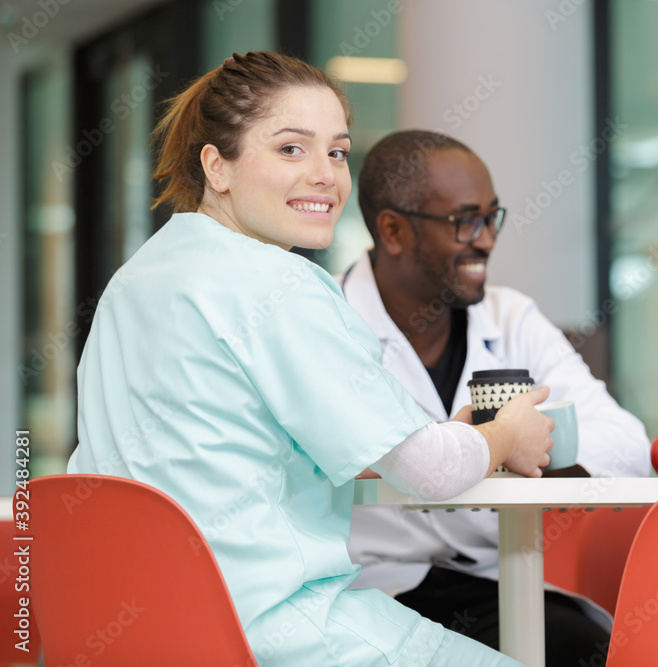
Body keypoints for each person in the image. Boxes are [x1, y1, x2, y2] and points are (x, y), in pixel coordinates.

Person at [67, 51, 556, 667]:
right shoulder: (277, 284)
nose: (326, 174)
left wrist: (438, 439)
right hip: (270, 628)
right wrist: (507, 431)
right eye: (291, 149)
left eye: (337, 151)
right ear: (217, 166)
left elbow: (218, 449)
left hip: (132, 632)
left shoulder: (133, 282)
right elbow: (430, 473)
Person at [340, 130, 651, 667]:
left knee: (591, 651)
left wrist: (515, 450)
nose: (486, 240)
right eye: (465, 221)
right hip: (367, 589)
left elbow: (630, 448)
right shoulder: (330, 326)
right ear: (392, 230)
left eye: (492, 217)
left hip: (491, 583)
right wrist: (494, 441)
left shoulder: (512, 320)